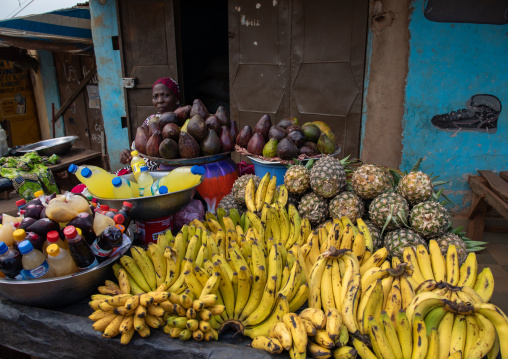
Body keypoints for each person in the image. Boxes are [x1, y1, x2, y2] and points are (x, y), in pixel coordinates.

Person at [118, 77, 180, 172]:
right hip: (143, 171)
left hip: (171, 172)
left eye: (166, 95)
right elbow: (138, 150)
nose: (160, 100)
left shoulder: (183, 120)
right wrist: (128, 155)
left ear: (176, 98)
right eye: (155, 97)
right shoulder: (150, 120)